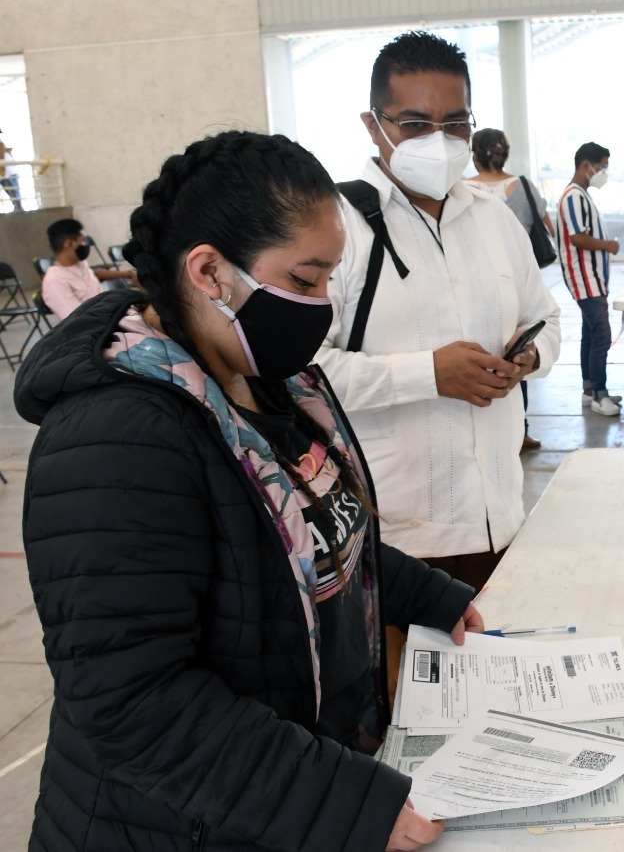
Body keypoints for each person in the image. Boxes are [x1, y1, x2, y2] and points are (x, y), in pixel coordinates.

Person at [17, 130, 483, 851]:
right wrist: (340, 800)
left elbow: (310, 538)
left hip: (274, 800)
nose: (323, 304)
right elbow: (134, 703)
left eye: (330, 277)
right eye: (304, 280)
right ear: (209, 271)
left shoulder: (272, 379)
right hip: (169, 826)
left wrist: (430, 597)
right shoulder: (117, 436)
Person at [314, 32, 561, 599]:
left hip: (501, 514)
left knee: (496, 671)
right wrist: (429, 374)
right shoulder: (337, 226)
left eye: (455, 124)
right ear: (373, 124)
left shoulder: (495, 219)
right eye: (416, 124)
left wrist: (526, 357)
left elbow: (545, 320)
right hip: (391, 535)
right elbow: (302, 374)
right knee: (409, 686)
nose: (440, 140)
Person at [466, 126, 554, 452]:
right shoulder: (523, 187)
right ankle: (520, 430)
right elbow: (547, 226)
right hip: (515, 285)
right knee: (520, 350)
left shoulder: (459, 190)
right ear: (505, 153)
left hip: (471, 287)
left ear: (474, 155)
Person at [557, 141, 621, 416]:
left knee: (590, 334)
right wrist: (608, 246)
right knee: (601, 336)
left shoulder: (582, 194)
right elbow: (577, 238)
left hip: (593, 278)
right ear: (587, 165)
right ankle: (600, 394)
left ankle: (589, 389)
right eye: (602, 166)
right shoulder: (573, 196)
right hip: (585, 278)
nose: (603, 172)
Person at [41, 218, 138, 319]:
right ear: (69, 244)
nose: (86, 246)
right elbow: (76, 321)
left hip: (111, 315)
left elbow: (94, 275)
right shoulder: (54, 281)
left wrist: (127, 274)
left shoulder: (80, 263)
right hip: (100, 327)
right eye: (83, 243)